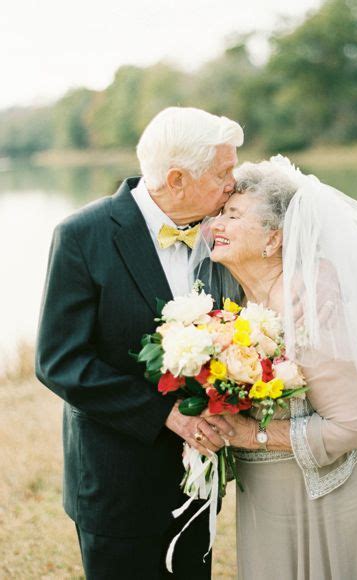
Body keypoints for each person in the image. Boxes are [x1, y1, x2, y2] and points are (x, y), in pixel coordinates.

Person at [201, 156, 357, 579]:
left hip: (348, 486)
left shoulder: (310, 308)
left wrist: (248, 435)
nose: (215, 224)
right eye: (219, 213)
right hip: (277, 490)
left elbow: (352, 425)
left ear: (273, 240)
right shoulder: (233, 297)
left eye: (233, 215)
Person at [35, 107, 244, 580]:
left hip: (198, 480)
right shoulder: (81, 236)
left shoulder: (221, 231)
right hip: (117, 481)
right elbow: (59, 362)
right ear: (176, 178)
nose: (234, 183)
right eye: (224, 172)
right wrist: (163, 414)